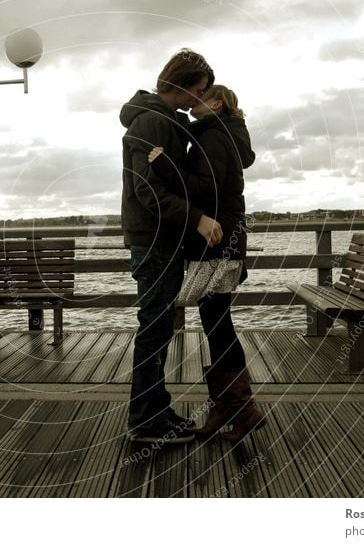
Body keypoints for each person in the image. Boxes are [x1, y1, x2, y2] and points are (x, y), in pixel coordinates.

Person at [148, 85, 265, 443]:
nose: (190, 100)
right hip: (224, 239)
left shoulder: (215, 134)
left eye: (198, 96)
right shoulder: (223, 133)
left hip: (218, 240)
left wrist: (166, 166)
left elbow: (205, 188)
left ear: (214, 104)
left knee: (218, 321)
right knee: (217, 320)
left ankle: (241, 409)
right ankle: (229, 408)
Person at [120, 48, 223, 444]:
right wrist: (196, 217)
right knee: (154, 329)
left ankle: (156, 411)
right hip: (154, 240)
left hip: (160, 239)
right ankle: (147, 422)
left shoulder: (162, 120)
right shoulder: (151, 122)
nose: (200, 98)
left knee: (159, 328)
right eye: (198, 90)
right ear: (182, 86)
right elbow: (148, 187)